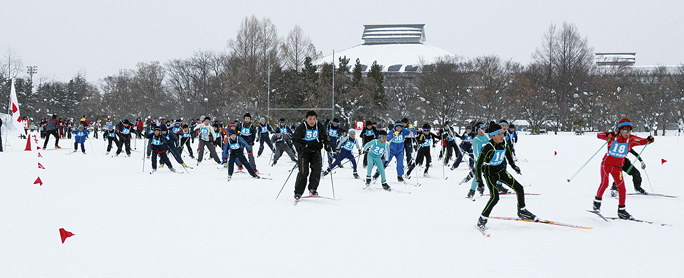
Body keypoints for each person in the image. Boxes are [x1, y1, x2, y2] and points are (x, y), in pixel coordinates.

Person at [476, 122, 536, 230]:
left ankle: (522, 211)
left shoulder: (504, 142)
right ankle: (482, 218)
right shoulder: (488, 147)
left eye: (502, 134)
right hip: (490, 173)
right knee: (495, 197)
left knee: (519, 188)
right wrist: (479, 181)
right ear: (492, 136)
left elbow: (508, 154)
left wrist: (514, 166)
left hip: (501, 170)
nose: (501, 136)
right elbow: (479, 164)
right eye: (498, 135)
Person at [592, 118, 653, 220]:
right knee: (605, 183)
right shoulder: (613, 137)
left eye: (629, 130)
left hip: (617, 168)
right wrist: (608, 135)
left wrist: (649, 140)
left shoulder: (631, 139)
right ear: (619, 130)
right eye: (624, 130)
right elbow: (599, 135)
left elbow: (643, 141)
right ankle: (596, 203)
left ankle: (621, 211)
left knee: (622, 189)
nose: (627, 132)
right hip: (606, 165)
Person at [292, 110, 330, 200]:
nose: (312, 121)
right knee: (303, 172)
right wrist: (301, 148)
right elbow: (295, 139)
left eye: (314, 119)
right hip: (304, 152)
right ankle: (298, 192)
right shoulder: (302, 127)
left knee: (317, 169)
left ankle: (313, 188)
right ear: (306, 119)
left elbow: (325, 136)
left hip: (315, 151)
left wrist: (327, 144)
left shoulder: (319, 126)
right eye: (310, 119)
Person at [465, 122, 490, 198]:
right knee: (477, 177)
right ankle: (472, 191)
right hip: (480, 161)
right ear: (477, 130)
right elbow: (476, 153)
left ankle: (496, 188)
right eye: (480, 129)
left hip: (489, 161)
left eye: (484, 129)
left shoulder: (488, 136)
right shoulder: (476, 139)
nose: (483, 130)